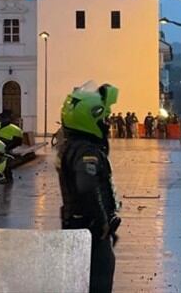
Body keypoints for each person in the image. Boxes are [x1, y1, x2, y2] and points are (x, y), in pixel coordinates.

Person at [57, 82, 120, 293]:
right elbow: (87, 186)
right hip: (89, 229)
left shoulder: (74, 146)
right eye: (102, 119)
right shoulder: (85, 151)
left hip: (79, 226)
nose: (106, 124)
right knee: (97, 282)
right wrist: (102, 221)